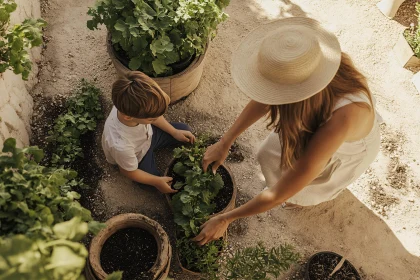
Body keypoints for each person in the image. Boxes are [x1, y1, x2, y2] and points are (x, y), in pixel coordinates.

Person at [192, 17, 382, 245]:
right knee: (268, 155)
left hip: (345, 147)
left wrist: (226, 218)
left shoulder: (343, 118)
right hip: (314, 122)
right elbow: (265, 99)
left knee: (305, 185)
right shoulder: (309, 67)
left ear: (299, 98)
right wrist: (225, 142)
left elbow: (279, 193)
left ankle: (299, 199)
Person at [102, 71, 195, 194]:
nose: (156, 119)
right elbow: (127, 171)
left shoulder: (131, 107)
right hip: (137, 155)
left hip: (149, 136)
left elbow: (155, 117)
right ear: (128, 117)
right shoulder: (120, 145)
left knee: (184, 130)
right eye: (152, 119)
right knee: (155, 183)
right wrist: (156, 181)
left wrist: (174, 132)